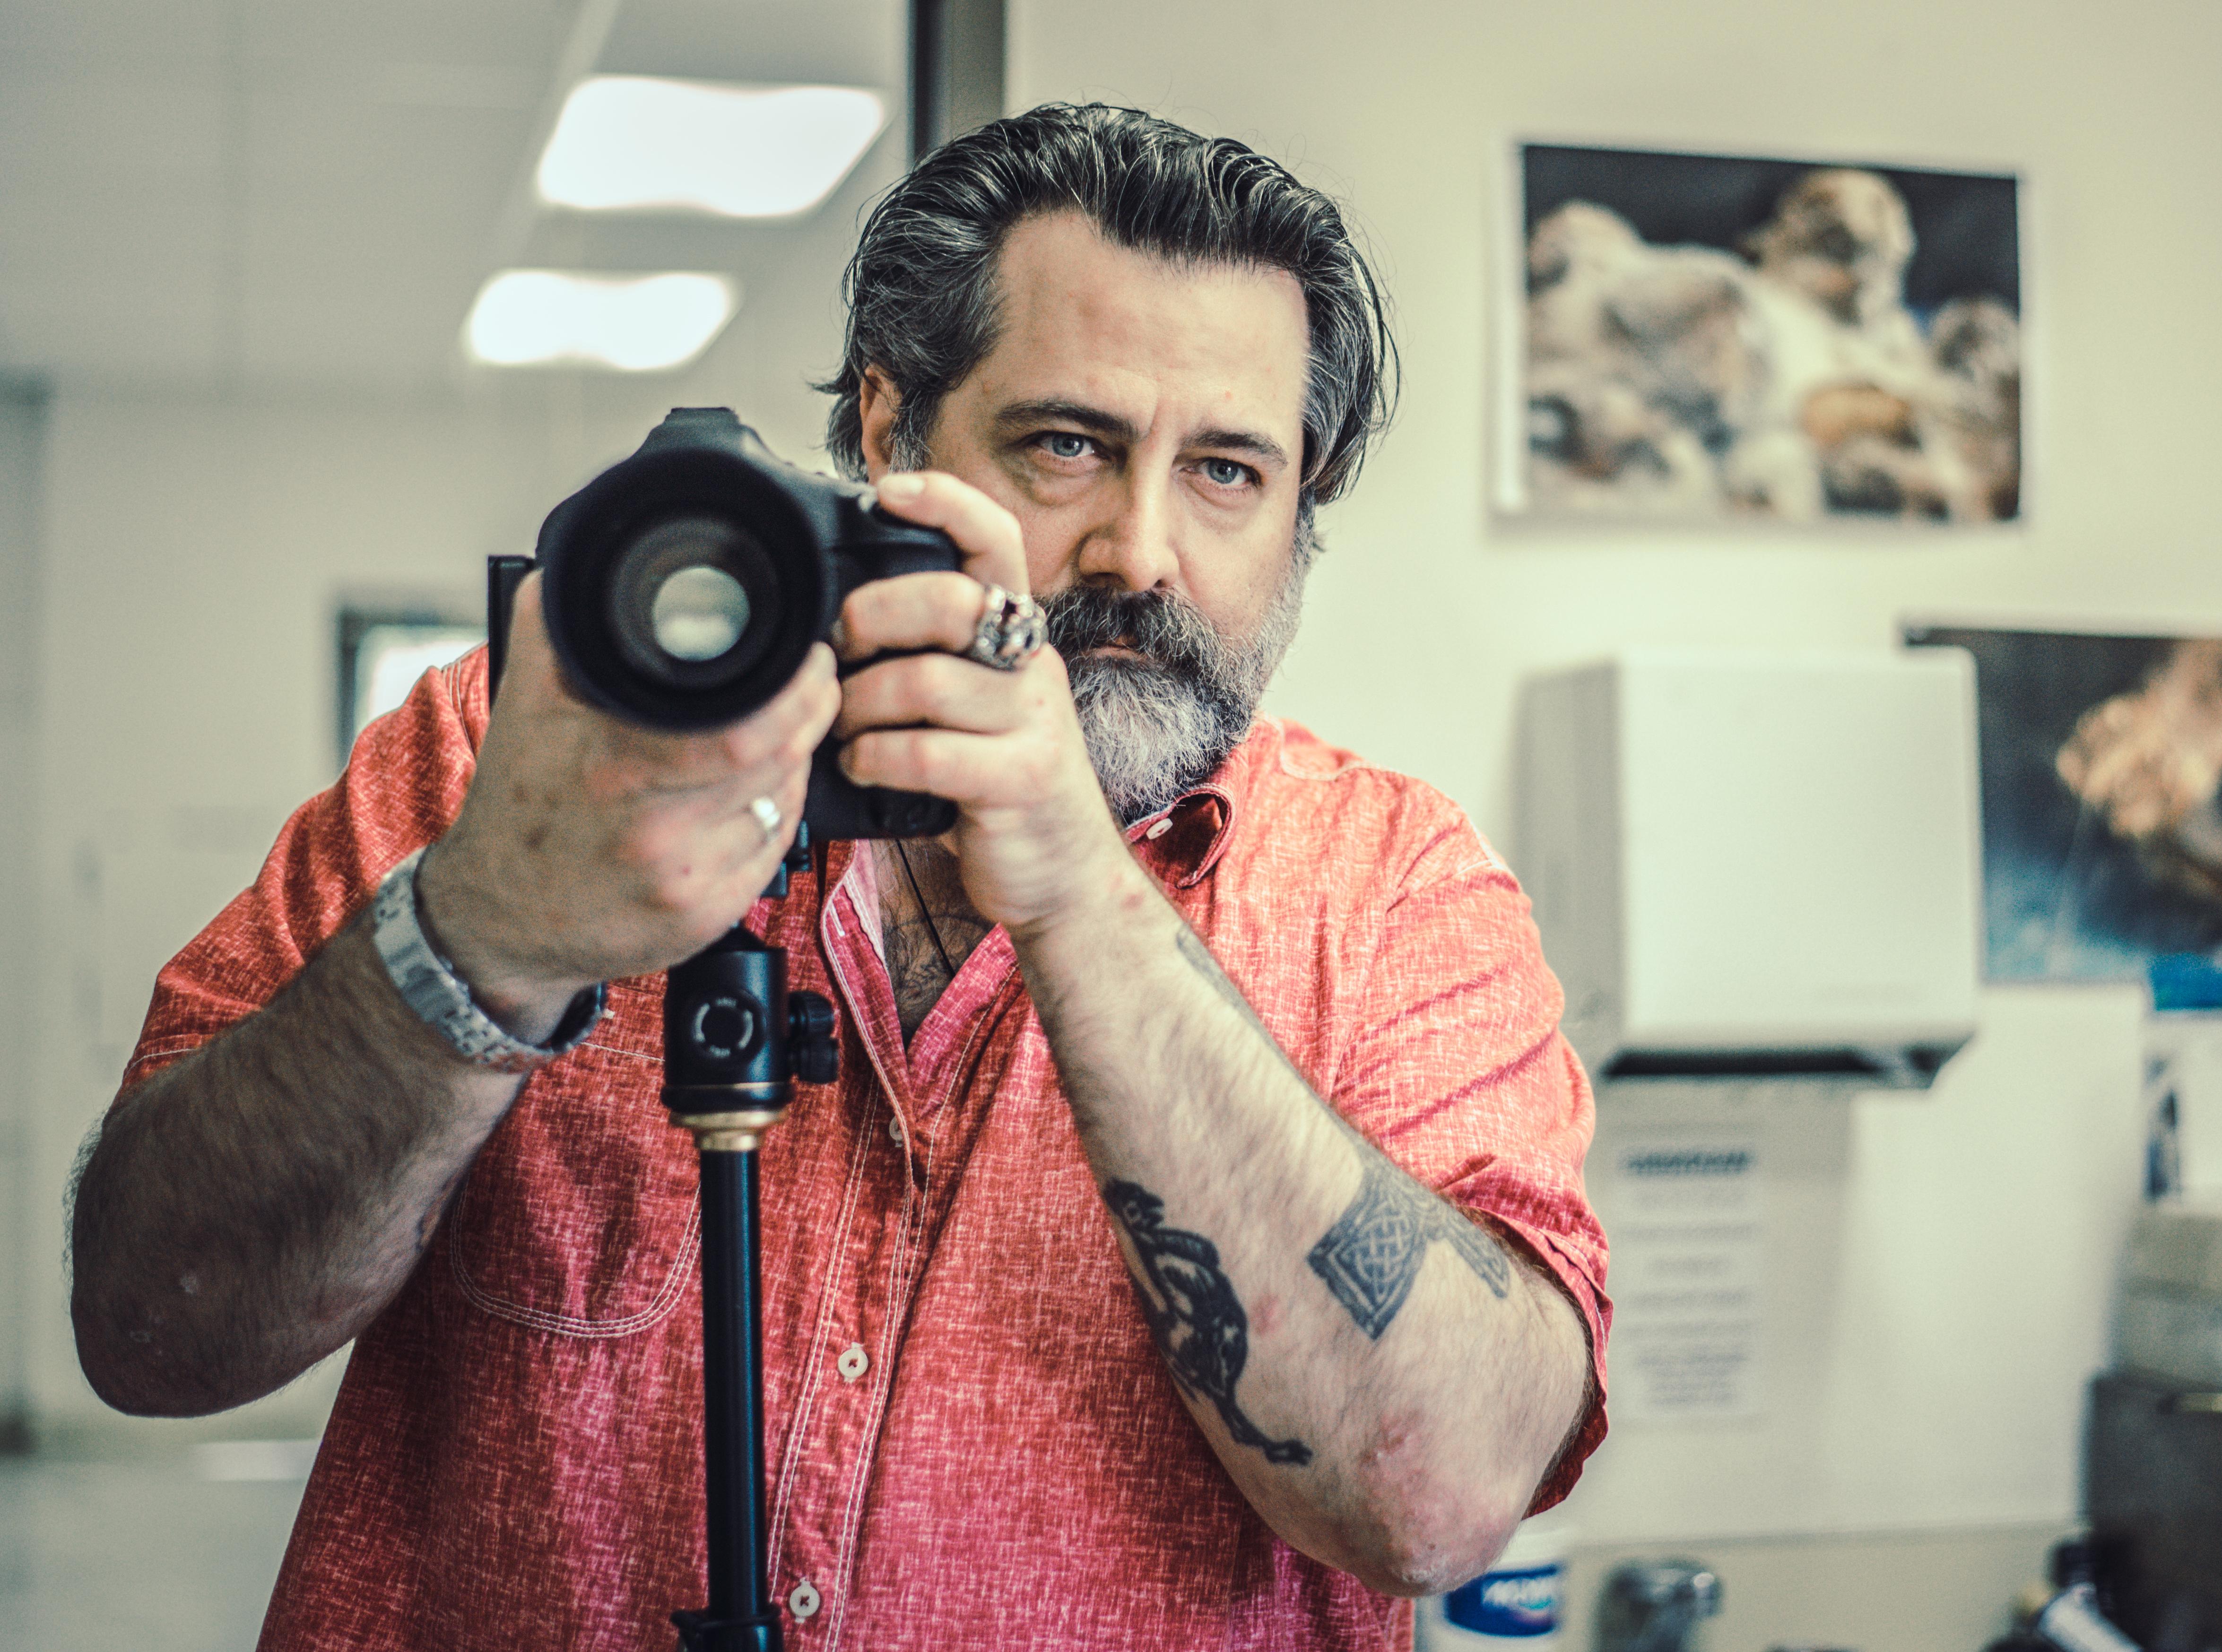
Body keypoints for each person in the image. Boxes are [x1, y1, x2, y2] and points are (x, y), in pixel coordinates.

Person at [67, 104, 1607, 1650]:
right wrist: (480, 933)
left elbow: (1446, 1494)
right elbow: (148, 1326)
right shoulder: (523, 749)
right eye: (1067, 446)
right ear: (888, 429)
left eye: (1226, 472)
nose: (1140, 551)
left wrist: (1079, 892)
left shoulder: (1402, 888)